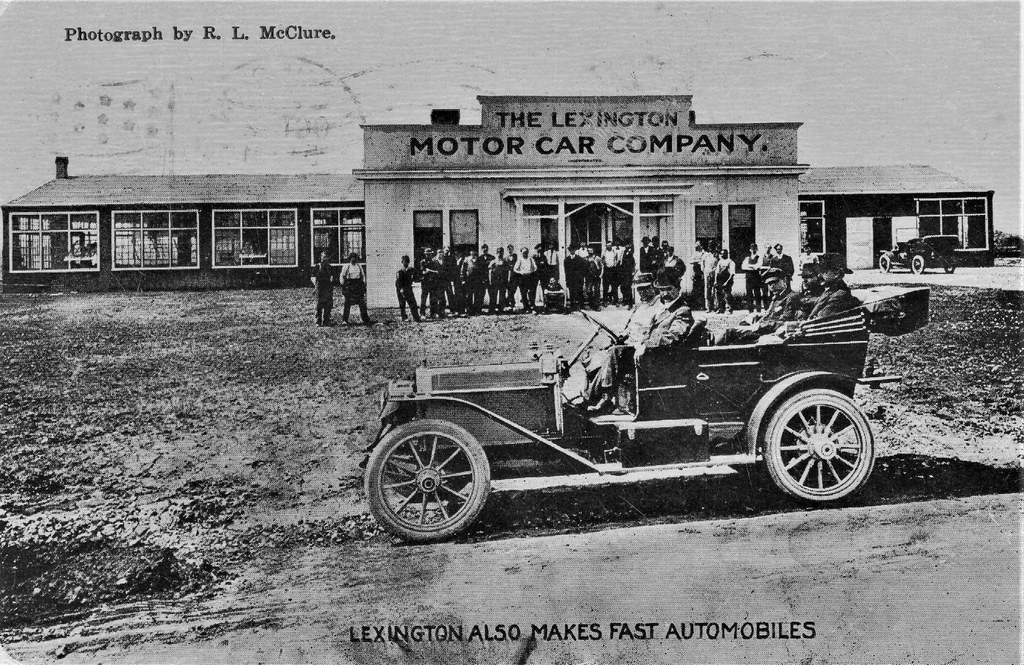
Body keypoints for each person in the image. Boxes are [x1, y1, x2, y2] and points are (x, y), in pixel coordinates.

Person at [584, 273, 695, 413]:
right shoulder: (664, 307)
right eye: (662, 290)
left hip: (660, 356)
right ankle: (595, 398)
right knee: (604, 355)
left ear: (677, 288)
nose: (664, 293)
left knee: (615, 352)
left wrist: (645, 344)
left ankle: (598, 399)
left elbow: (673, 336)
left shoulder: (681, 310)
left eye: (668, 289)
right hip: (646, 351)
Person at [712, 268, 803, 345]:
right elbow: (769, 314)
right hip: (763, 328)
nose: (771, 286)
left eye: (775, 282)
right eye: (769, 284)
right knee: (741, 325)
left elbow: (784, 321)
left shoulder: (791, 297)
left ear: (784, 280)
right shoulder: (777, 297)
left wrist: (759, 325)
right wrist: (757, 316)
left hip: (770, 332)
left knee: (729, 332)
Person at [803, 253, 860, 320]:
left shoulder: (839, 295)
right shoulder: (829, 292)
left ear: (837, 273)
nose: (819, 275)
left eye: (824, 271)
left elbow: (820, 320)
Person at [340, 252, 372, 325]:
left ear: (356, 259)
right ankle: (345, 320)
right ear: (350, 259)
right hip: (349, 286)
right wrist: (344, 285)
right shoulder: (346, 266)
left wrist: (363, 284)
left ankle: (365, 319)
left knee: (362, 303)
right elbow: (342, 276)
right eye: (352, 258)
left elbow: (363, 275)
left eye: (355, 258)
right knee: (347, 303)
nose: (353, 259)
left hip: (357, 286)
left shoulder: (359, 266)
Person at [311, 251, 337, 327]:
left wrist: (330, 283)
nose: (324, 258)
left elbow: (332, 276)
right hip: (319, 288)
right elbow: (313, 277)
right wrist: (316, 285)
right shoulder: (317, 267)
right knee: (318, 305)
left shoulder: (329, 267)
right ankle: (318, 321)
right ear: (321, 257)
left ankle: (327, 321)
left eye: (326, 257)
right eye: (323, 257)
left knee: (328, 305)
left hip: (327, 287)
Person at [395, 255, 421, 322]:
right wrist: (401, 290)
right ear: (402, 262)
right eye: (405, 261)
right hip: (401, 289)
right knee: (402, 304)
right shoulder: (400, 271)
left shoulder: (411, 270)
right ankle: (404, 317)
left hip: (408, 289)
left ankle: (416, 318)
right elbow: (398, 282)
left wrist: (419, 278)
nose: (406, 263)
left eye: (407, 261)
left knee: (413, 303)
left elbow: (415, 278)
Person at [741, 243, 764, 313]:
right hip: (749, 278)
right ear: (750, 250)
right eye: (752, 249)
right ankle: (750, 310)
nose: (753, 250)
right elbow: (743, 267)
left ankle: (758, 310)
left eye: (754, 248)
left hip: (756, 278)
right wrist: (753, 266)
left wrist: (749, 266)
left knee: (757, 293)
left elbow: (758, 266)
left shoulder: (759, 258)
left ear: (757, 249)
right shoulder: (747, 258)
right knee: (749, 294)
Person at [514, 246, 538, 312]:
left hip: (530, 277)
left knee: (531, 292)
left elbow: (535, 267)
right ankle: (526, 307)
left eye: (526, 252)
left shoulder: (530, 259)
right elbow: (515, 269)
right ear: (521, 253)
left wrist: (532, 271)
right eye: (524, 252)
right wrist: (521, 272)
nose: (525, 254)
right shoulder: (520, 259)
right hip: (522, 278)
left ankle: (532, 306)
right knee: (523, 293)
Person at [487, 247, 510, 314]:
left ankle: (501, 309)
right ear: (496, 253)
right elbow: (490, 271)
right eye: (499, 252)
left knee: (502, 295)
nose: (500, 254)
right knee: (493, 295)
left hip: (502, 280)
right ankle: (492, 309)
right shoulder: (493, 261)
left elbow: (507, 271)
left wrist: (507, 280)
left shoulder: (505, 261)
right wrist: (490, 280)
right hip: (495, 280)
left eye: (502, 252)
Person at [714, 248, 735, 314]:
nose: (722, 255)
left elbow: (732, 274)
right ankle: (720, 308)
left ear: (727, 254)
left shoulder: (730, 262)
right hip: (720, 280)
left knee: (727, 295)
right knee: (719, 294)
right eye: (721, 254)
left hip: (727, 280)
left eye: (723, 254)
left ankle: (729, 309)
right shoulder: (720, 262)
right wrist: (715, 281)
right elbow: (717, 272)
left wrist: (727, 282)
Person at [564, 244, 585, 311]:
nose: (572, 251)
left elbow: (582, 270)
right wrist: (567, 280)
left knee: (579, 292)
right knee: (571, 292)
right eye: (570, 250)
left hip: (578, 279)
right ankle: (572, 306)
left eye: (573, 250)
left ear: (575, 250)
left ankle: (581, 305)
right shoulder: (566, 260)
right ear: (569, 251)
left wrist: (581, 278)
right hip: (571, 279)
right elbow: (566, 271)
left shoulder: (579, 259)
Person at [700, 242, 719, 312]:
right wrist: (705, 272)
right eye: (710, 247)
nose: (711, 248)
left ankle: (715, 307)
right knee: (707, 290)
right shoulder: (705, 255)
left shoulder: (716, 255)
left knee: (714, 290)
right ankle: (708, 307)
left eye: (712, 247)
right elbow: (702, 266)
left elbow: (718, 264)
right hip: (707, 273)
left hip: (715, 274)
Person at [418, 249, 437, 316]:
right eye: (427, 254)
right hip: (425, 283)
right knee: (423, 299)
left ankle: (433, 313)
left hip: (432, 282)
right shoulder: (422, 262)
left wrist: (430, 271)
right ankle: (422, 313)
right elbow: (424, 271)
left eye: (429, 254)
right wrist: (431, 271)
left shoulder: (434, 262)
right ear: (425, 254)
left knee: (433, 299)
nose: (428, 255)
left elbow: (436, 271)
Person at [505, 243, 520, 312]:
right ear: (507, 250)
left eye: (511, 249)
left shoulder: (515, 256)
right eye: (509, 249)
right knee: (509, 289)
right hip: (508, 275)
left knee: (513, 289)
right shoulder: (505, 258)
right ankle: (511, 304)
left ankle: (508, 301)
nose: (510, 251)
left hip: (515, 275)